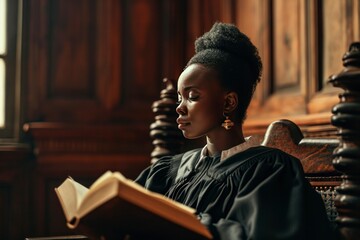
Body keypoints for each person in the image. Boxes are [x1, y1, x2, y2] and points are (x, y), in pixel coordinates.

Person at [135, 22, 337, 240]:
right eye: (179, 98)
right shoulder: (168, 171)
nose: (179, 107)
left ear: (229, 102)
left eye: (192, 97)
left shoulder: (270, 173)